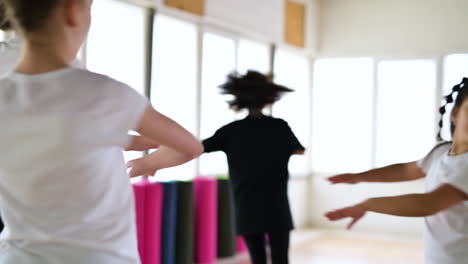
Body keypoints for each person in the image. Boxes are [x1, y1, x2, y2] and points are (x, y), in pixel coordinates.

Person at [0, 0, 203, 263]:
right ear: (72, 11)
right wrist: (147, 163)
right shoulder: (105, 93)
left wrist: (123, 140)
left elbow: (46, 136)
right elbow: (189, 146)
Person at [325, 77, 468, 264]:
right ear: (455, 114)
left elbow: (427, 204)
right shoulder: (441, 152)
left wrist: (368, 204)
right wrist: (359, 177)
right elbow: (406, 171)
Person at [202, 70, 305, 264]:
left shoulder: (231, 131)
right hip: (277, 205)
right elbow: (299, 150)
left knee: (257, 258)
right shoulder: (279, 127)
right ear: (268, 98)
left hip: (246, 205)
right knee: (280, 258)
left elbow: (199, 147)